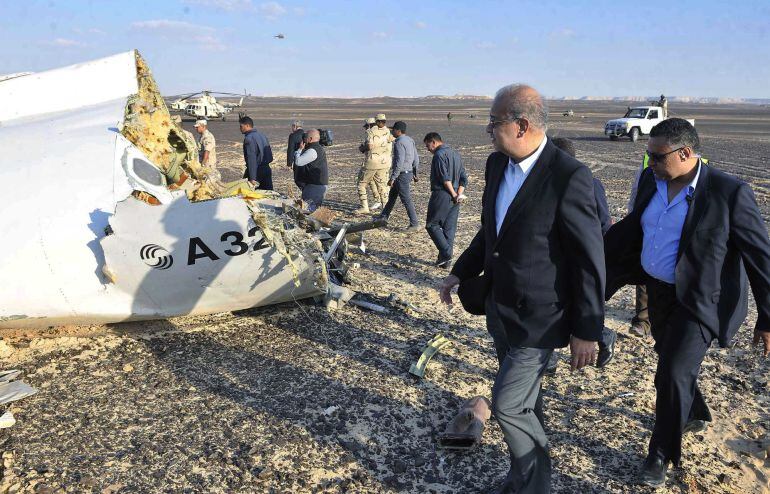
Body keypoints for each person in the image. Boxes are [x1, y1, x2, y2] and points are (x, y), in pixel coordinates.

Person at [439, 84, 605, 494]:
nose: (489, 131)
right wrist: (460, 271)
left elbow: (589, 260)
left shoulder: (569, 177)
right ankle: (524, 480)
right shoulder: (498, 166)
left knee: (509, 405)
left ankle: (536, 485)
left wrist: (588, 329)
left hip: (540, 317)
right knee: (528, 404)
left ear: (521, 125)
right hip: (500, 309)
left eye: (494, 123)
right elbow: (490, 232)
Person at [604, 118, 770, 487]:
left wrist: (768, 317)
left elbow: (761, 257)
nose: (650, 165)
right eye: (648, 157)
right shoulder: (651, 181)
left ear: (685, 154)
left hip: (700, 301)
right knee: (670, 359)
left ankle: (660, 453)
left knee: (672, 373)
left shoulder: (729, 192)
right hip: (659, 293)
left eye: (657, 158)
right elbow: (632, 230)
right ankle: (694, 410)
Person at [550, 137, 616, 368]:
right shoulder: (549, 182)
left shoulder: (588, 182)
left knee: (572, 304)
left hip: (581, 256)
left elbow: (603, 220)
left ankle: (604, 335)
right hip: (559, 257)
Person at [423, 132, 467, 269]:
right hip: (455, 196)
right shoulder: (455, 154)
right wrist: (459, 194)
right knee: (449, 229)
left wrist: (454, 194)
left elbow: (445, 178)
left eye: (427, 145)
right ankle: (444, 262)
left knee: (432, 225)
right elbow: (464, 178)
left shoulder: (439, 155)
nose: (427, 149)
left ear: (434, 142)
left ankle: (447, 254)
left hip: (442, 194)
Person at [379, 121, 420, 231]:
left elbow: (399, 162)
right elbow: (416, 158)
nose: (392, 131)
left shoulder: (399, 143)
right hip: (408, 173)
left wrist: (393, 177)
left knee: (406, 199)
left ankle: (414, 223)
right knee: (392, 197)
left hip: (401, 175)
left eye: (393, 129)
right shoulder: (410, 140)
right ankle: (383, 217)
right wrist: (415, 173)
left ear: (398, 131)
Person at [355, 114, 392, 214]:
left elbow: (370, 146)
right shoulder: (388, 131)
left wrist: (362, 148)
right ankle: (385, 209)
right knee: (382, 186)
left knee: (361, 184)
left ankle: (364, 207)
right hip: (385, 163)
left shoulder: (371, 132)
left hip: (372, 163)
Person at [293, 129, 328, 211]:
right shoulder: (318, 148)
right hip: (318, 185)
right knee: (312, 210)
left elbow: (298, 162)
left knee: (308, 211)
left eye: (305, 137)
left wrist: (299, 150)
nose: (304, 139)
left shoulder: (313, 150)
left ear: (310, 139)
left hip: (314, 187)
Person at [240, 116, 274, 190]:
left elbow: (251, 159)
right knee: (268, 194)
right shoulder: (262, 135)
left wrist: (252, 178)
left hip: (256, 171)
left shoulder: (249, 139)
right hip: (267, 169)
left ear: (247, 125)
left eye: (241, 126)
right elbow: (269, 154)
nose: (240, 128)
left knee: (246, 193)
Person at [287, 120, 304, 189]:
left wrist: (289, 164)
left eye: (292, 126)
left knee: (298, 180)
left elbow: (290, 150)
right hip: (306, 159)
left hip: (297, 160)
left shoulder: (293, 136)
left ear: (295, 126)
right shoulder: (305, 134)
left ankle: (306, 194)